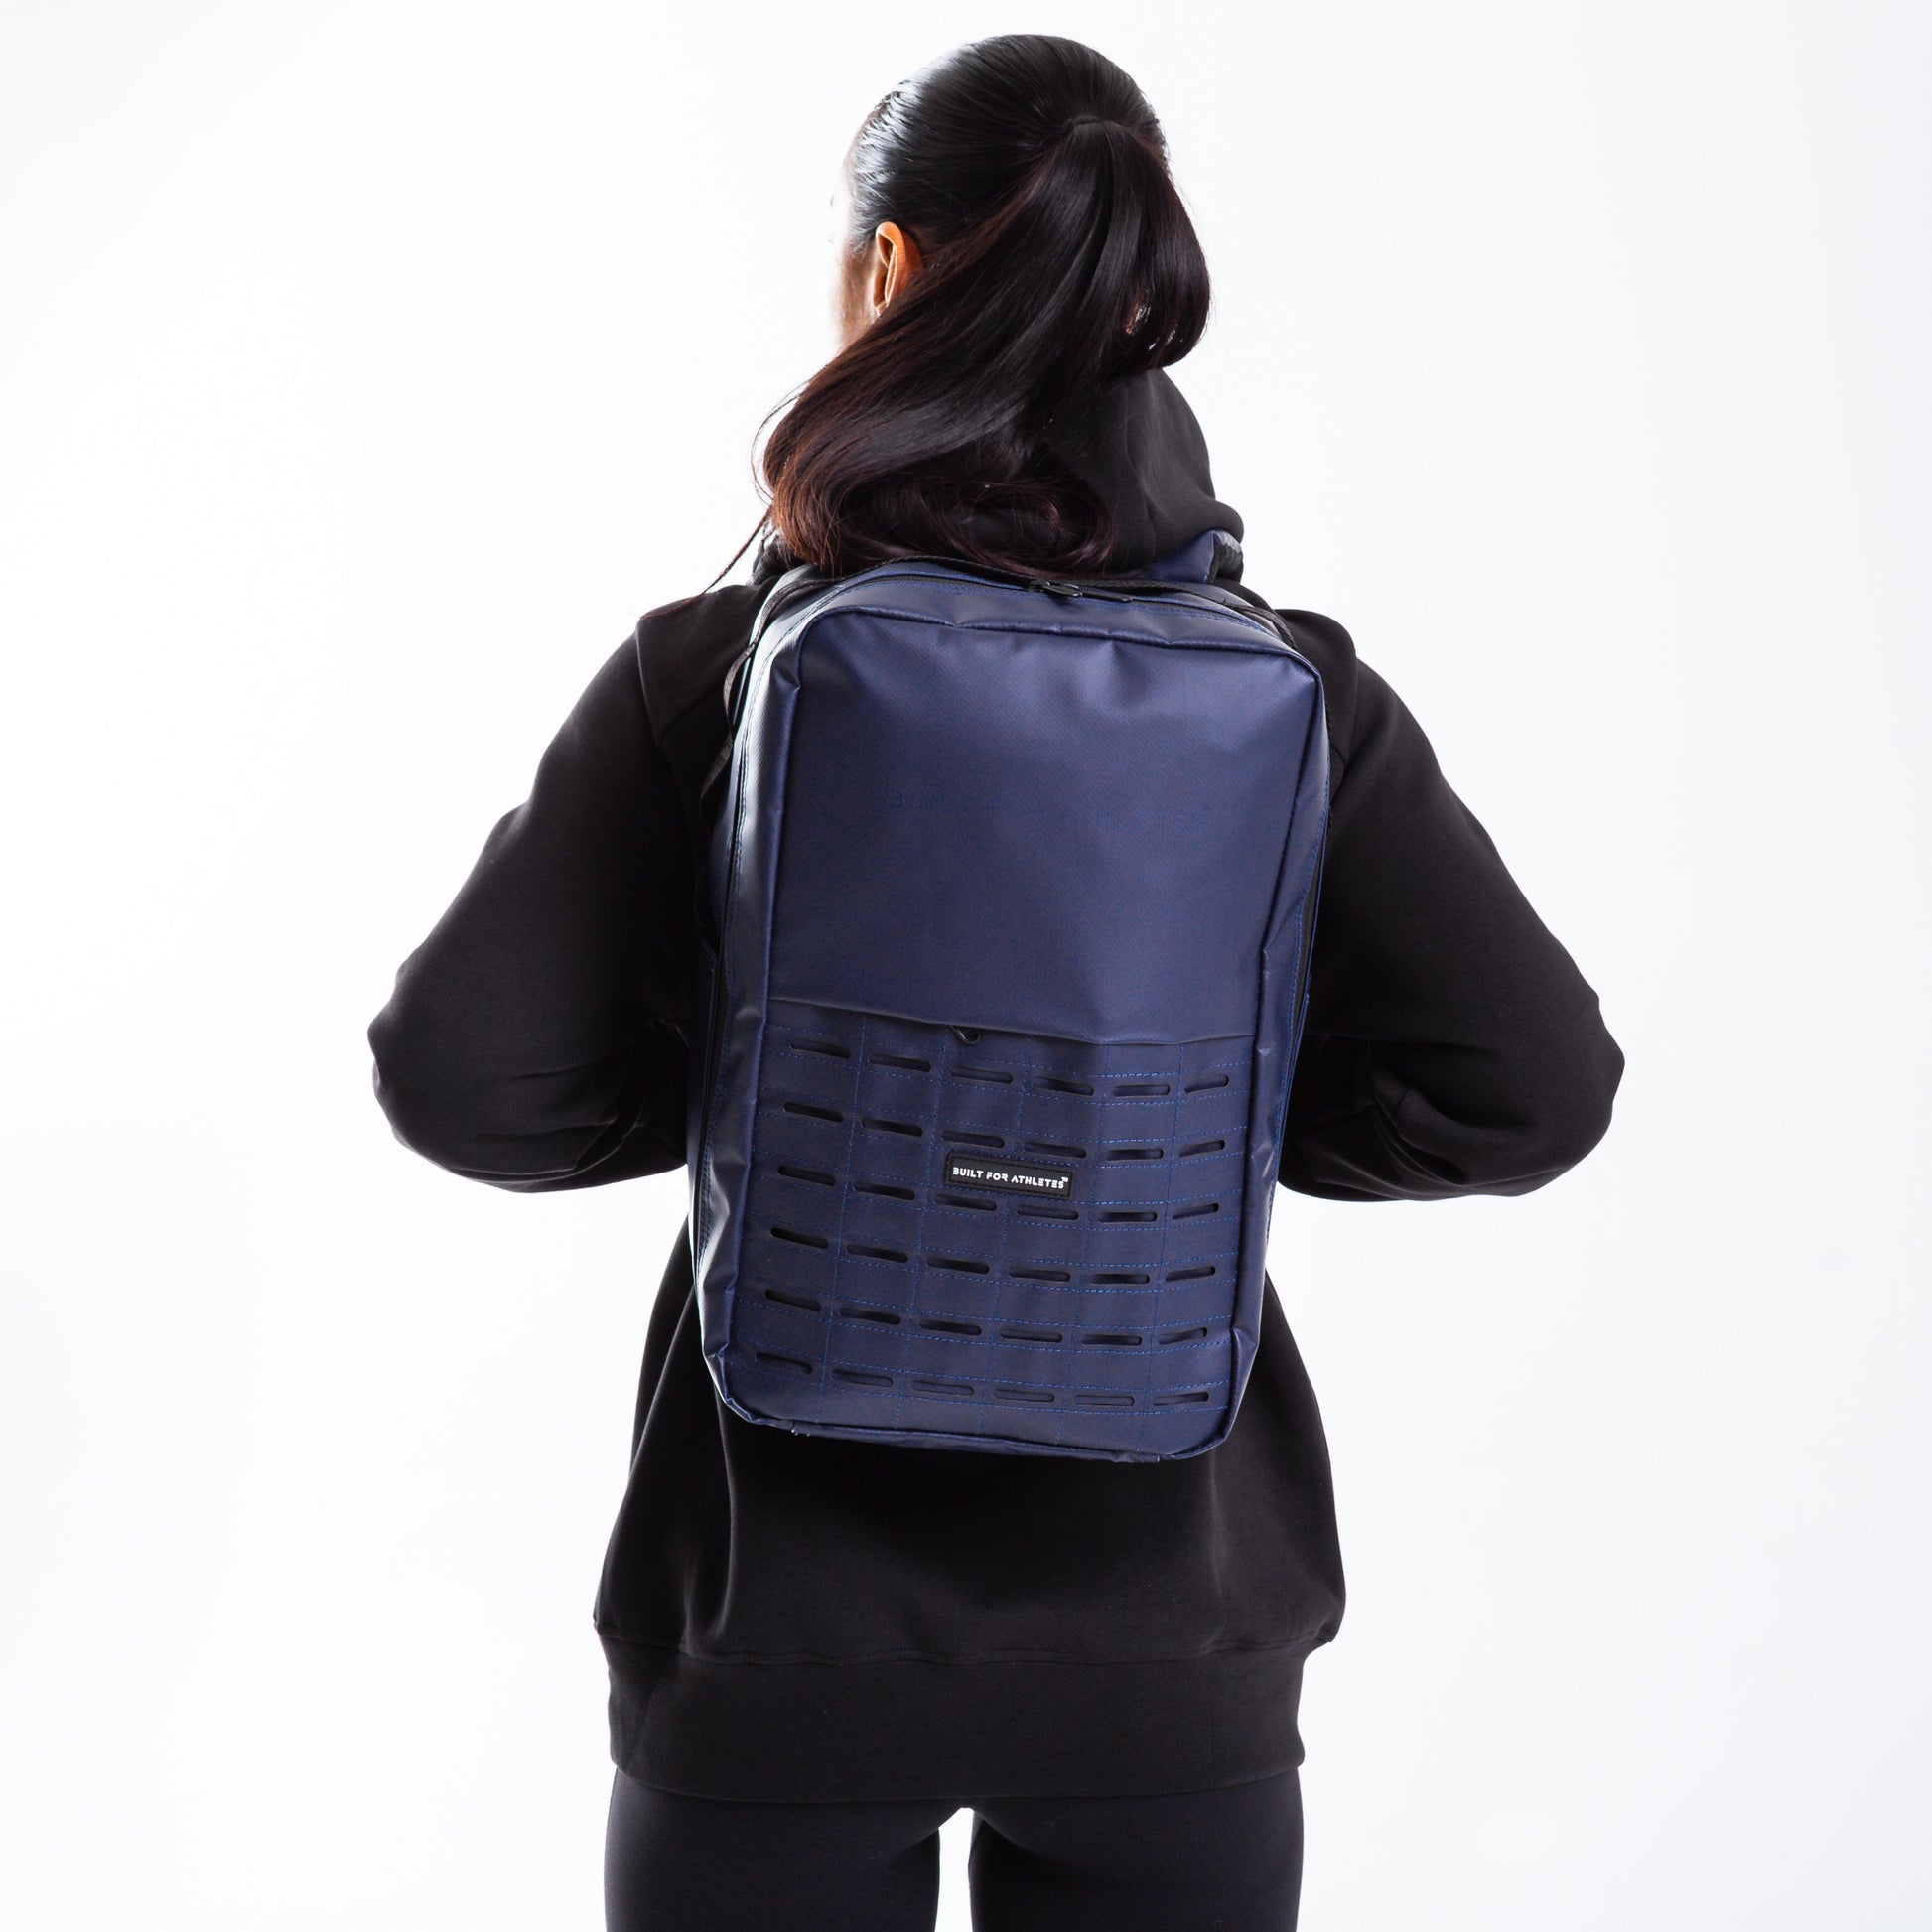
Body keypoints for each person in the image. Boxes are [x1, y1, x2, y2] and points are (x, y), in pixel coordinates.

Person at [367, 33, 1623, 1932]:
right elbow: (1533, 1086)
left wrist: (773, 1101)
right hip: (1172, 1654)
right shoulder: (1296, 694)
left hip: (772, 1637)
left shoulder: (711, 675)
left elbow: (462, 1075)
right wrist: (1174, 1123)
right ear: (1134, 291)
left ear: (884, 272)